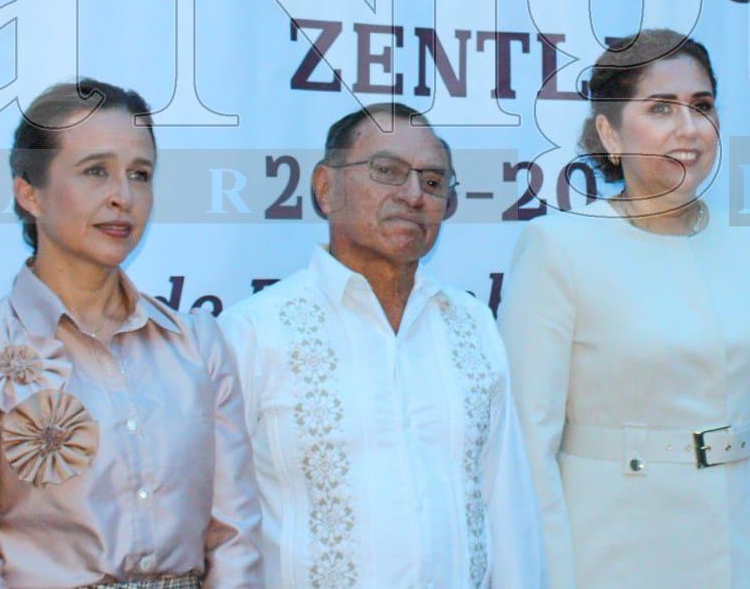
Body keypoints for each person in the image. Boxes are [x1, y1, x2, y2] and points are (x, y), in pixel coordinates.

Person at [499, 29, 750, 588]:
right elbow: (529, 453)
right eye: (660, 108)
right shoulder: (559, 247)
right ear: (610, 132)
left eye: (702, 107)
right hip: (615, 555)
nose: (689, 128)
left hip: (749, 557)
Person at [0, 79, 262, 589]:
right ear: (29, 192)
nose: (123, 197)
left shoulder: (197, 347)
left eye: (139, 175)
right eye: (96, 171)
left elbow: (235, 538)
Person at [218, 102, 544, 588]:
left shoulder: (472, 325)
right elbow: (218, 525)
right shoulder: (254, 333)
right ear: (327, 189)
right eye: (387, 172)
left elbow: (507, 507)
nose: (413, 194)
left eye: (433, 182)